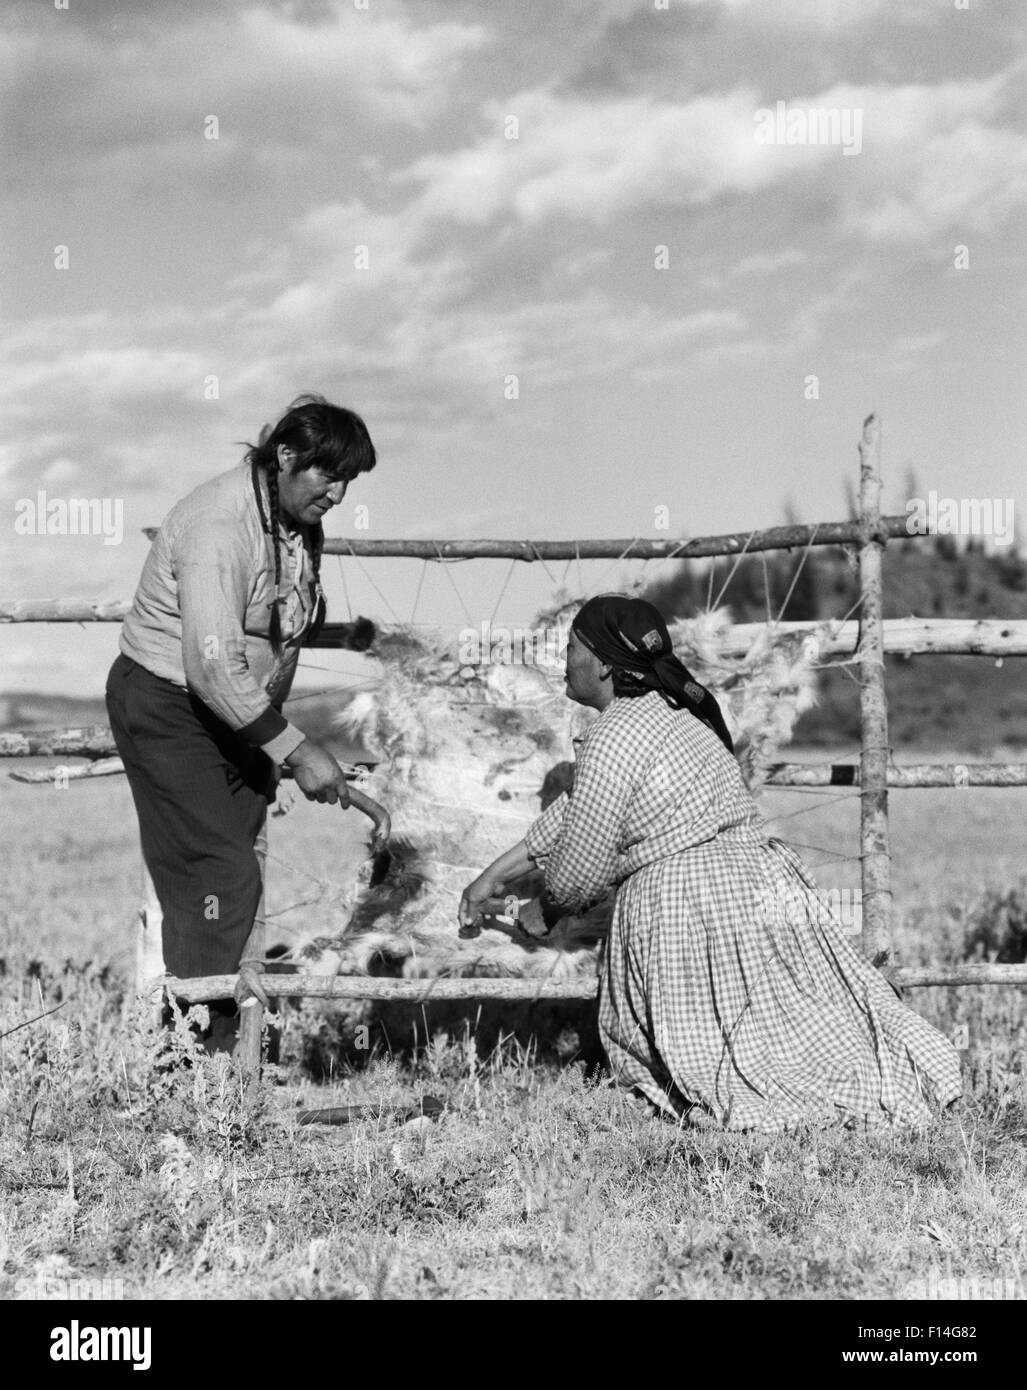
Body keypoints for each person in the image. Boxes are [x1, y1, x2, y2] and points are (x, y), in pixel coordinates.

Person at [459, 594, 962, 1131]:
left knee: (736, 1061)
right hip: (760, 883)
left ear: (604, 663)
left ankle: (793, 1111)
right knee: (801, 1023)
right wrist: (495, 875)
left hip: (690, 903)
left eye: (573, 648)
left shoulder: (614, 732)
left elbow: (578, 870)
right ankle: (881, 1087)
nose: (565, 659)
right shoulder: (679, 716)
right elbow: (581, 808)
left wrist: (547, 908)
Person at [106, 394, 376, 1052]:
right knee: (218, 874)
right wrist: (297, 750)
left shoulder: (292, 521)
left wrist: (344, 636)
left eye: (349, 481)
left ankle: (206, 1055)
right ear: (285, 457)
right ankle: (203, 1061)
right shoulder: (218, 525)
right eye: (327, 475)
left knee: (223, 879)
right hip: (171, 707)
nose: (338, 493)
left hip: (234, 713)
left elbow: (276, 621)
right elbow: (212, 667)